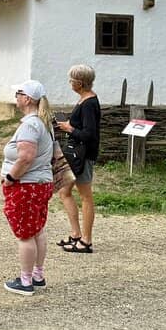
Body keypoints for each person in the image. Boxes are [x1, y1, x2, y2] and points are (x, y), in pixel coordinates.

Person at [1, 80, 56, 296]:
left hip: (27, 184)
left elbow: (25, 157)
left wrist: (11, 178)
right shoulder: (42, 122)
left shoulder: (30, 125)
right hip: (41, 183)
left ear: (28, 99)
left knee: (25, 233)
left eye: (18, 93)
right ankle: (37, 274)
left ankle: (25, 281)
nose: (16, 97)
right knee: (37, 230)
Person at [56, 64, 100, 254]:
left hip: (83, 155)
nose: (70, 83)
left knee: (85, 195)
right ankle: (76, 234)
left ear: (80, 83)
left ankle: (87, 240)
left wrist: (69, 129)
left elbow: (90, 133)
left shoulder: (89, 103)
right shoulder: (83, 100)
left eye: (72, 80)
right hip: (74, 154)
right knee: (64, 191)